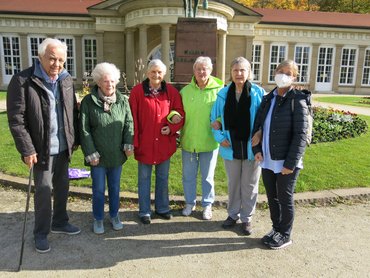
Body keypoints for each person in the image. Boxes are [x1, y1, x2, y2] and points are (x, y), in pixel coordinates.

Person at [7, 38, 80, 253]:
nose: (57, 64)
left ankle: (59, 222)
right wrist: (27, 149)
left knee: (63, 187)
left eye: (61, 60)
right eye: (52, 59)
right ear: (40, 57)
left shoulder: (66, 80)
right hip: (41, 150)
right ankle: (40, 233)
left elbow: (72, 113)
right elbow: (16, 119)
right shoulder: (23, 81)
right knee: (43, 192)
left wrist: (74, 140)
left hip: (64, 147)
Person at [252, 59, 310, 249]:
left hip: (286, 160)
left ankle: (285, 234)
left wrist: (290, 163)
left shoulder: (298, 100)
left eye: (288, 72)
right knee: (272, 196)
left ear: (294, 77)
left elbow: (301, 134)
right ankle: (276, 229)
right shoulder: (269, 98)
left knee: (284, 198)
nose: (283, 75)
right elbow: (258, 126)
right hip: (268, 158)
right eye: (280, 71)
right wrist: (257, 150)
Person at [210, 57, 264, 234]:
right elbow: (214, 119)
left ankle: (247, 218)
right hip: (230, 145)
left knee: (249, 184)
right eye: (235, 70)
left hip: (251, 146)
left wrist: (260, 133)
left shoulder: (259, 93)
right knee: (233, 183)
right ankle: (232, 214)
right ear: (231, 74)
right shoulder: (223, 94)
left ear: (249, 73)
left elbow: (266, 119)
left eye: (243, 70)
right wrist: (219, 137)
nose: (239, 74)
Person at [79, 62, 134, 234]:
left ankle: (115, 214)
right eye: (105, 81)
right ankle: (98, 218)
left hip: (116, 155)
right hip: (98, 156)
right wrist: (90, 153)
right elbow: (84, 129)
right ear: (98, 82)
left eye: (111, 81)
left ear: (116, 81)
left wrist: (128, 144)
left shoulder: (122, 101)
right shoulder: (88, 101)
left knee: (115, 188)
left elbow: (128, 124)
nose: (109, 84)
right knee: (98, 190)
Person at [129, 59, 184, 225]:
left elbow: (180, 113)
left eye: (159, 72)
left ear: (164, 74)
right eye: (153, 72)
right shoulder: (137, 91)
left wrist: (171, 128)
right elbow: (131, 118)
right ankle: (144, 211)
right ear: (147, 73)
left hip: (164, 144)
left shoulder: (172, 92)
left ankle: (162, 208)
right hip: (145, 143)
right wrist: (133, 141)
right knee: (144, 179)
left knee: (163, 177)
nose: (156, 75)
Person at [180, 56, 224, 220]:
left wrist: (219, 121)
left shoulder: (219, 90)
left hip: (209, 141)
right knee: (188, 176)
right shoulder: (185, 91)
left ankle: (207, 205)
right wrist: (175, 119)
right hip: (189, 140)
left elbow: (224, 113)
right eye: (198, 69)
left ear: (210, 70)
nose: (201, 72)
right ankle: (189, 203)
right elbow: (178, 112)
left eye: (204, 68)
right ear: (194, 71)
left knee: (207, 176)